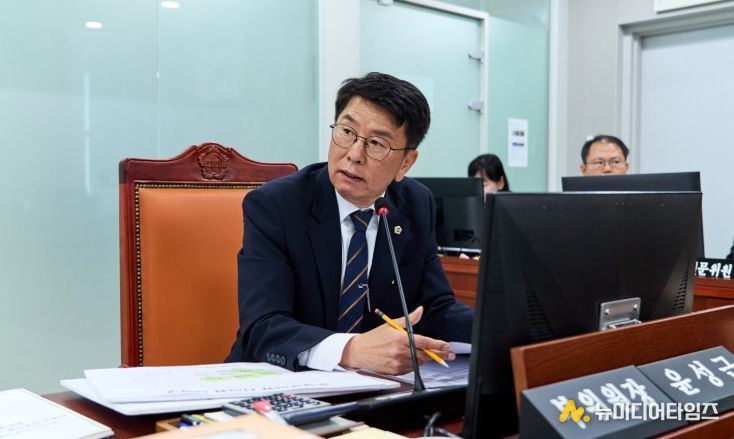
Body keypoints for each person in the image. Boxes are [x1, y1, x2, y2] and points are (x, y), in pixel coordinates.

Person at [226, 72, 473, 375]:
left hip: (371, 386)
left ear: (406, 163)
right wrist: (351, 350)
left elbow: (433, 307)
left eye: (376, 144)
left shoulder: (415, 204)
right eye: (346, 132)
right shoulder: (276, 205)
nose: (354, 154)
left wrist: (501, 329)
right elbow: (262, 327)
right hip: (278, 380)